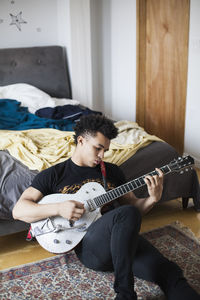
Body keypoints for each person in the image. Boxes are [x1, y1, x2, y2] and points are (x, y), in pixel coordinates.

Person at [13, 114, 199, 300]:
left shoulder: (112, 172)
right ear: (81, 141)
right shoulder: (54, 174)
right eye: (98, 148)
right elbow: (19, 210)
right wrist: (59, 208)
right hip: (91, 247)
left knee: (169, 271)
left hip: (123, 241)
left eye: (106, 150)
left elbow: (134, 210)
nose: (102, 156)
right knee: (124, 213)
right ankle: (125, 294)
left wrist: (153, 198)